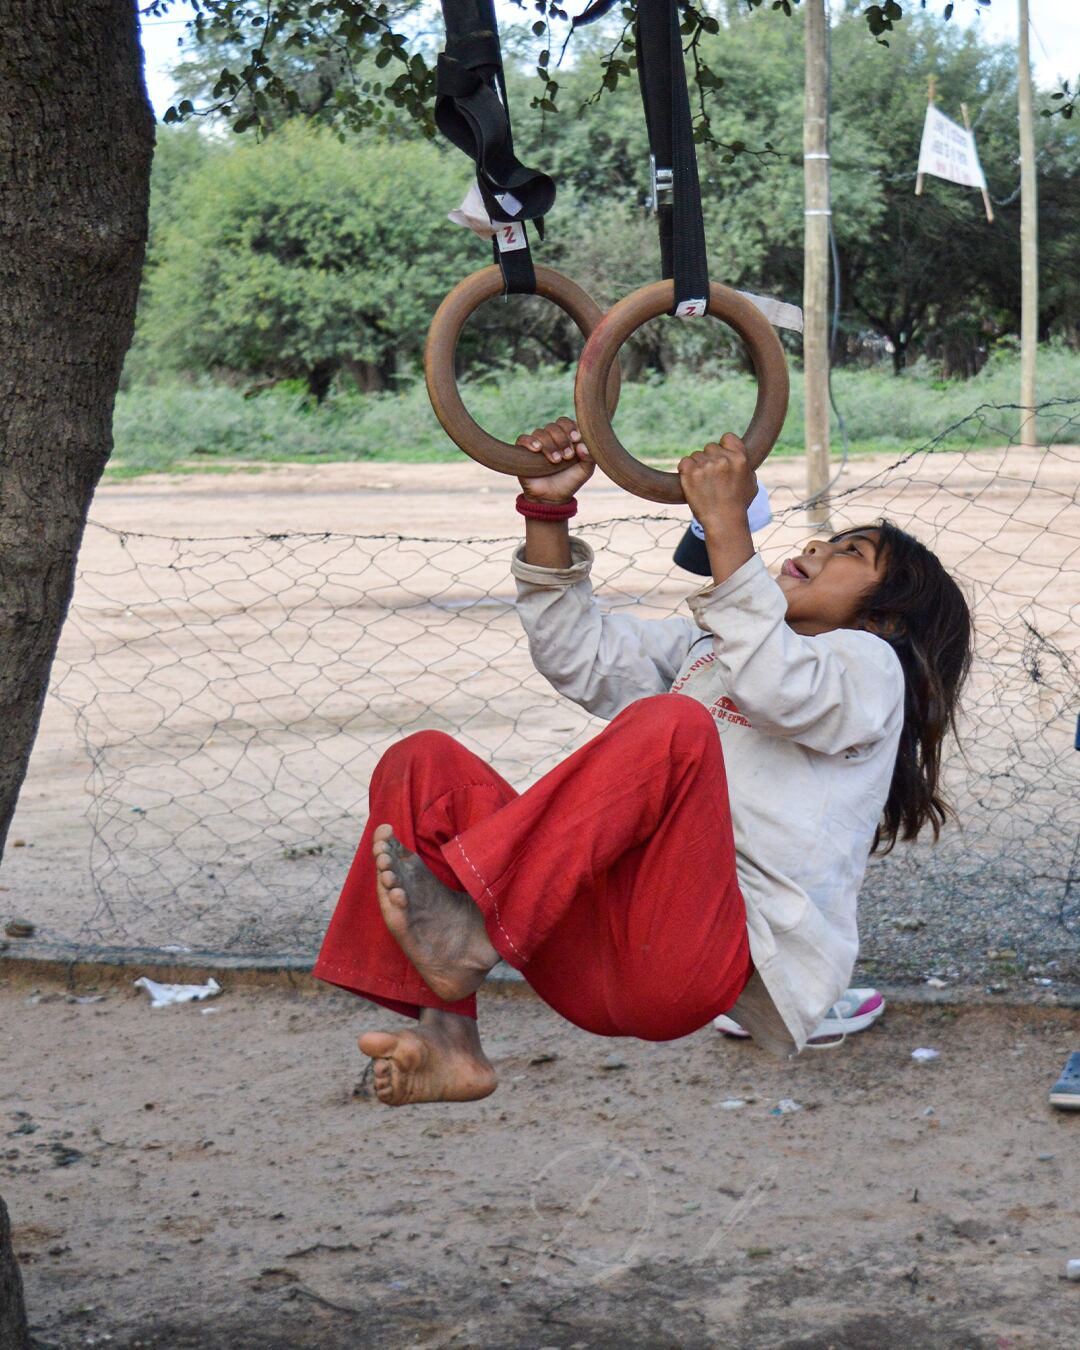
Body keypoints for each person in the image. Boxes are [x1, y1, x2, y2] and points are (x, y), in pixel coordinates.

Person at [313, 418, 973, 1106]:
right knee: (422, 766)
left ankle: (476, 933)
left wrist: (725, 525)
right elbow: (581, 655)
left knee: (671, 727)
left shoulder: (870, 669)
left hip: (692, 963)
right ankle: (448, 1035)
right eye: (825, 536)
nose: (815, 544)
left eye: (849, 552)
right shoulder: (714, 646)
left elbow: (778, 686)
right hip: (587, 955)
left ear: (887, 619)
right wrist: (548, 510)